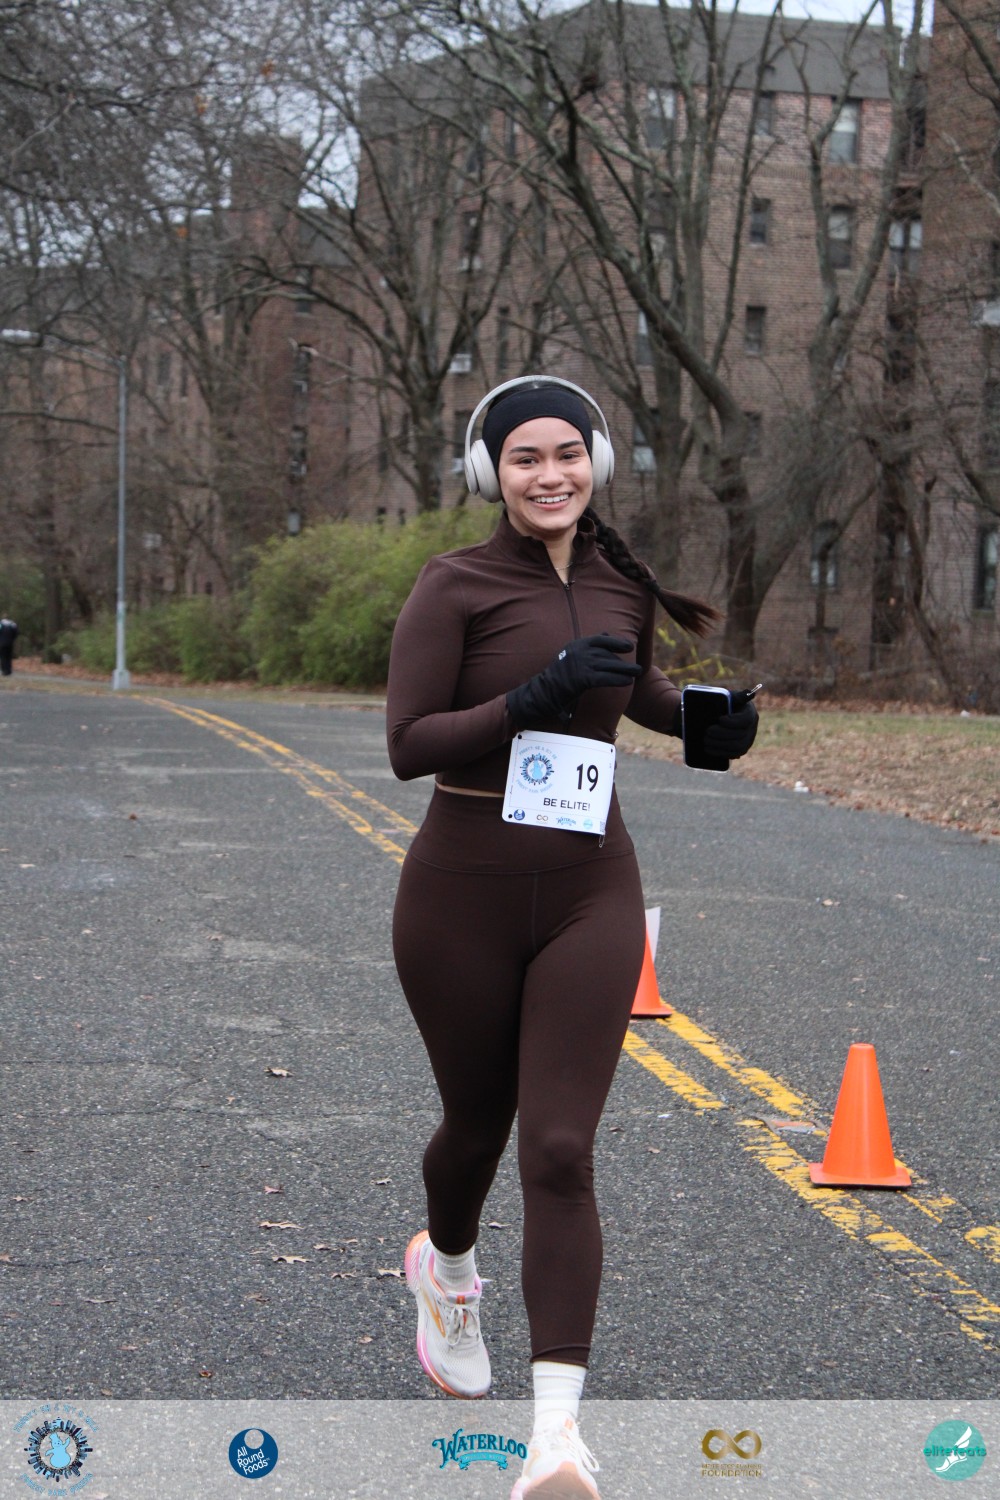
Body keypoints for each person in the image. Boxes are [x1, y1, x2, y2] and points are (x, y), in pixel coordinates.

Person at [386, 377, 759, 1500]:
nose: (549, 475)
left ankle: (555, 1439)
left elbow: (633, 690)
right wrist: (531, 697)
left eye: (566, 454)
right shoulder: (453, 585)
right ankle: (447, 1269)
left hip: (593, 885)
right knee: (477, 1128)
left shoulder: (616, 578)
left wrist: (705, 723)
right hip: (462, 892)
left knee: (557, 1149)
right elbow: (409, 743)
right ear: (488, 472)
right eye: (524, 458)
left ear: (594, 457)